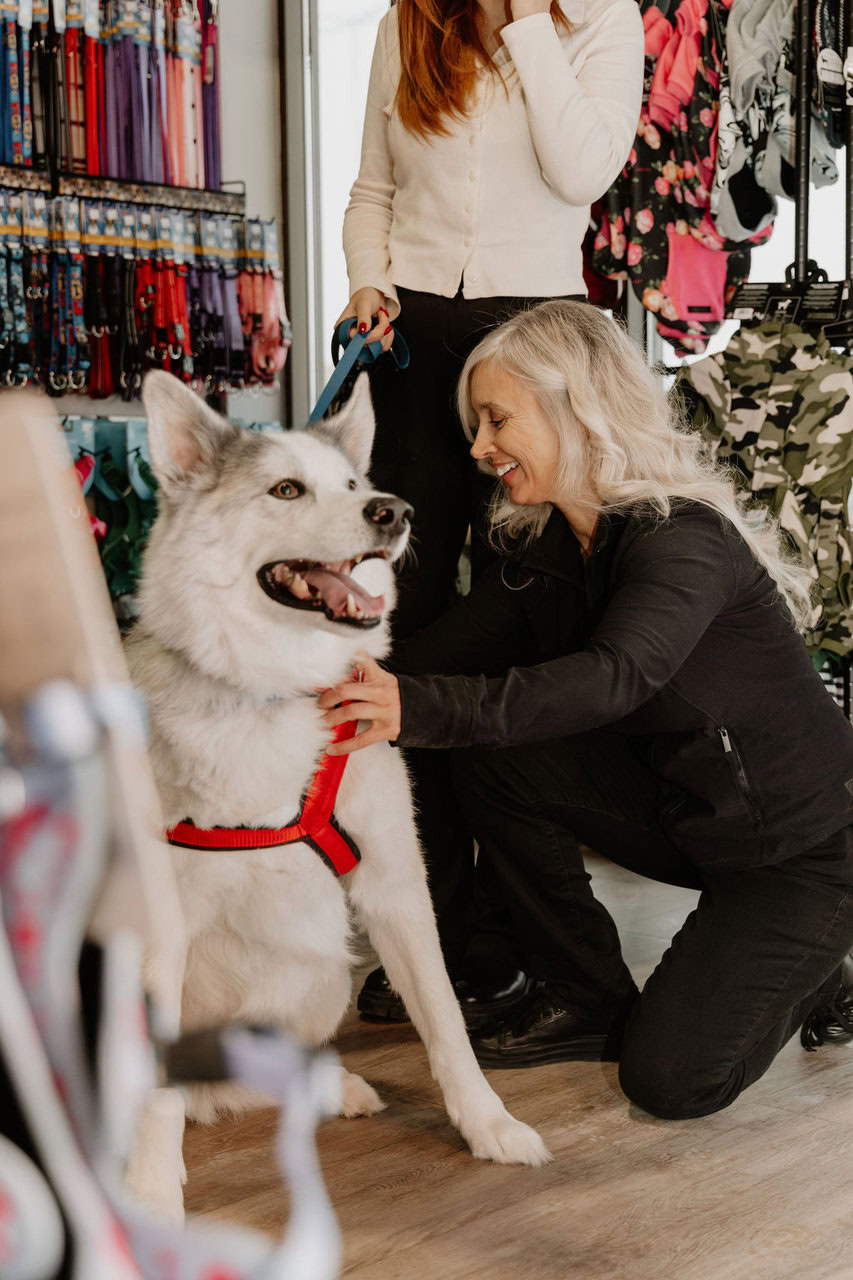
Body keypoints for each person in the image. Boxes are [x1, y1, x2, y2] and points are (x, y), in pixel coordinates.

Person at [318, 299, 853, 1119]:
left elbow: (613, 678)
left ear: (577, 409)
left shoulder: (683, 540)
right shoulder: (548, 547)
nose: (478, 447)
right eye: (476, 424)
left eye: (497, 419)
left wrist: (409, 707)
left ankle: (815, 962)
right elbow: (439, 652)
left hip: (800, 851)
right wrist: (310, 676)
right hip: (687, 818)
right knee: (495, 760)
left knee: (668, 1083)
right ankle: (586, 993)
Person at [336, 0, 645, 1017]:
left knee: (530, 618)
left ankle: (528, 934)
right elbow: (373, 187)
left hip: (539, 337)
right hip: (414, 341)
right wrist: (367, 280)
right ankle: (438, 933)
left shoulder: (600, 20)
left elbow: (583, 170)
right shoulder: (410, 19)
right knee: (407, 631)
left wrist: (523, 25)